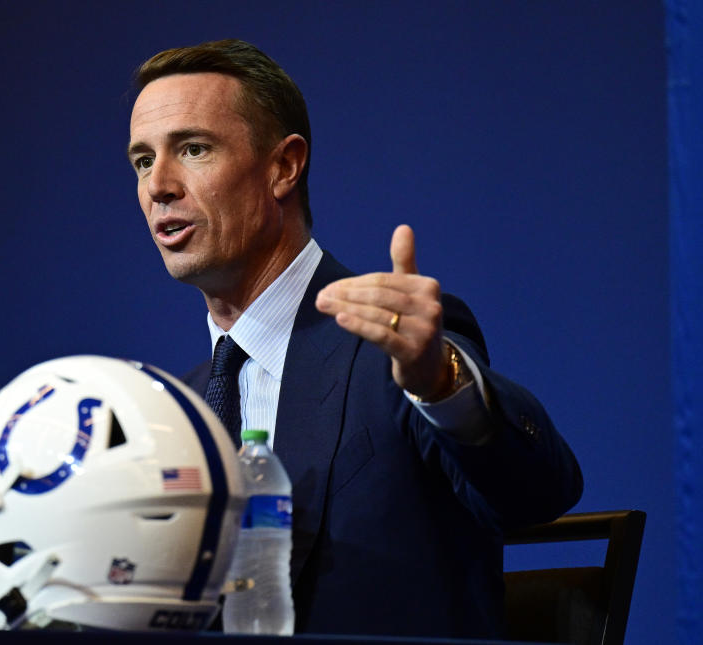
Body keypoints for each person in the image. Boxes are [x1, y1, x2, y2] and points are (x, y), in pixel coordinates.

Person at [127, 39, 582, 638]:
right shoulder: (178, 414)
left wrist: (442, 384)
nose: (159, 184)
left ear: (283, 167)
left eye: (193, 149)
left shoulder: (397, 351)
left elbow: (537, 493)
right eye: (141, 161)